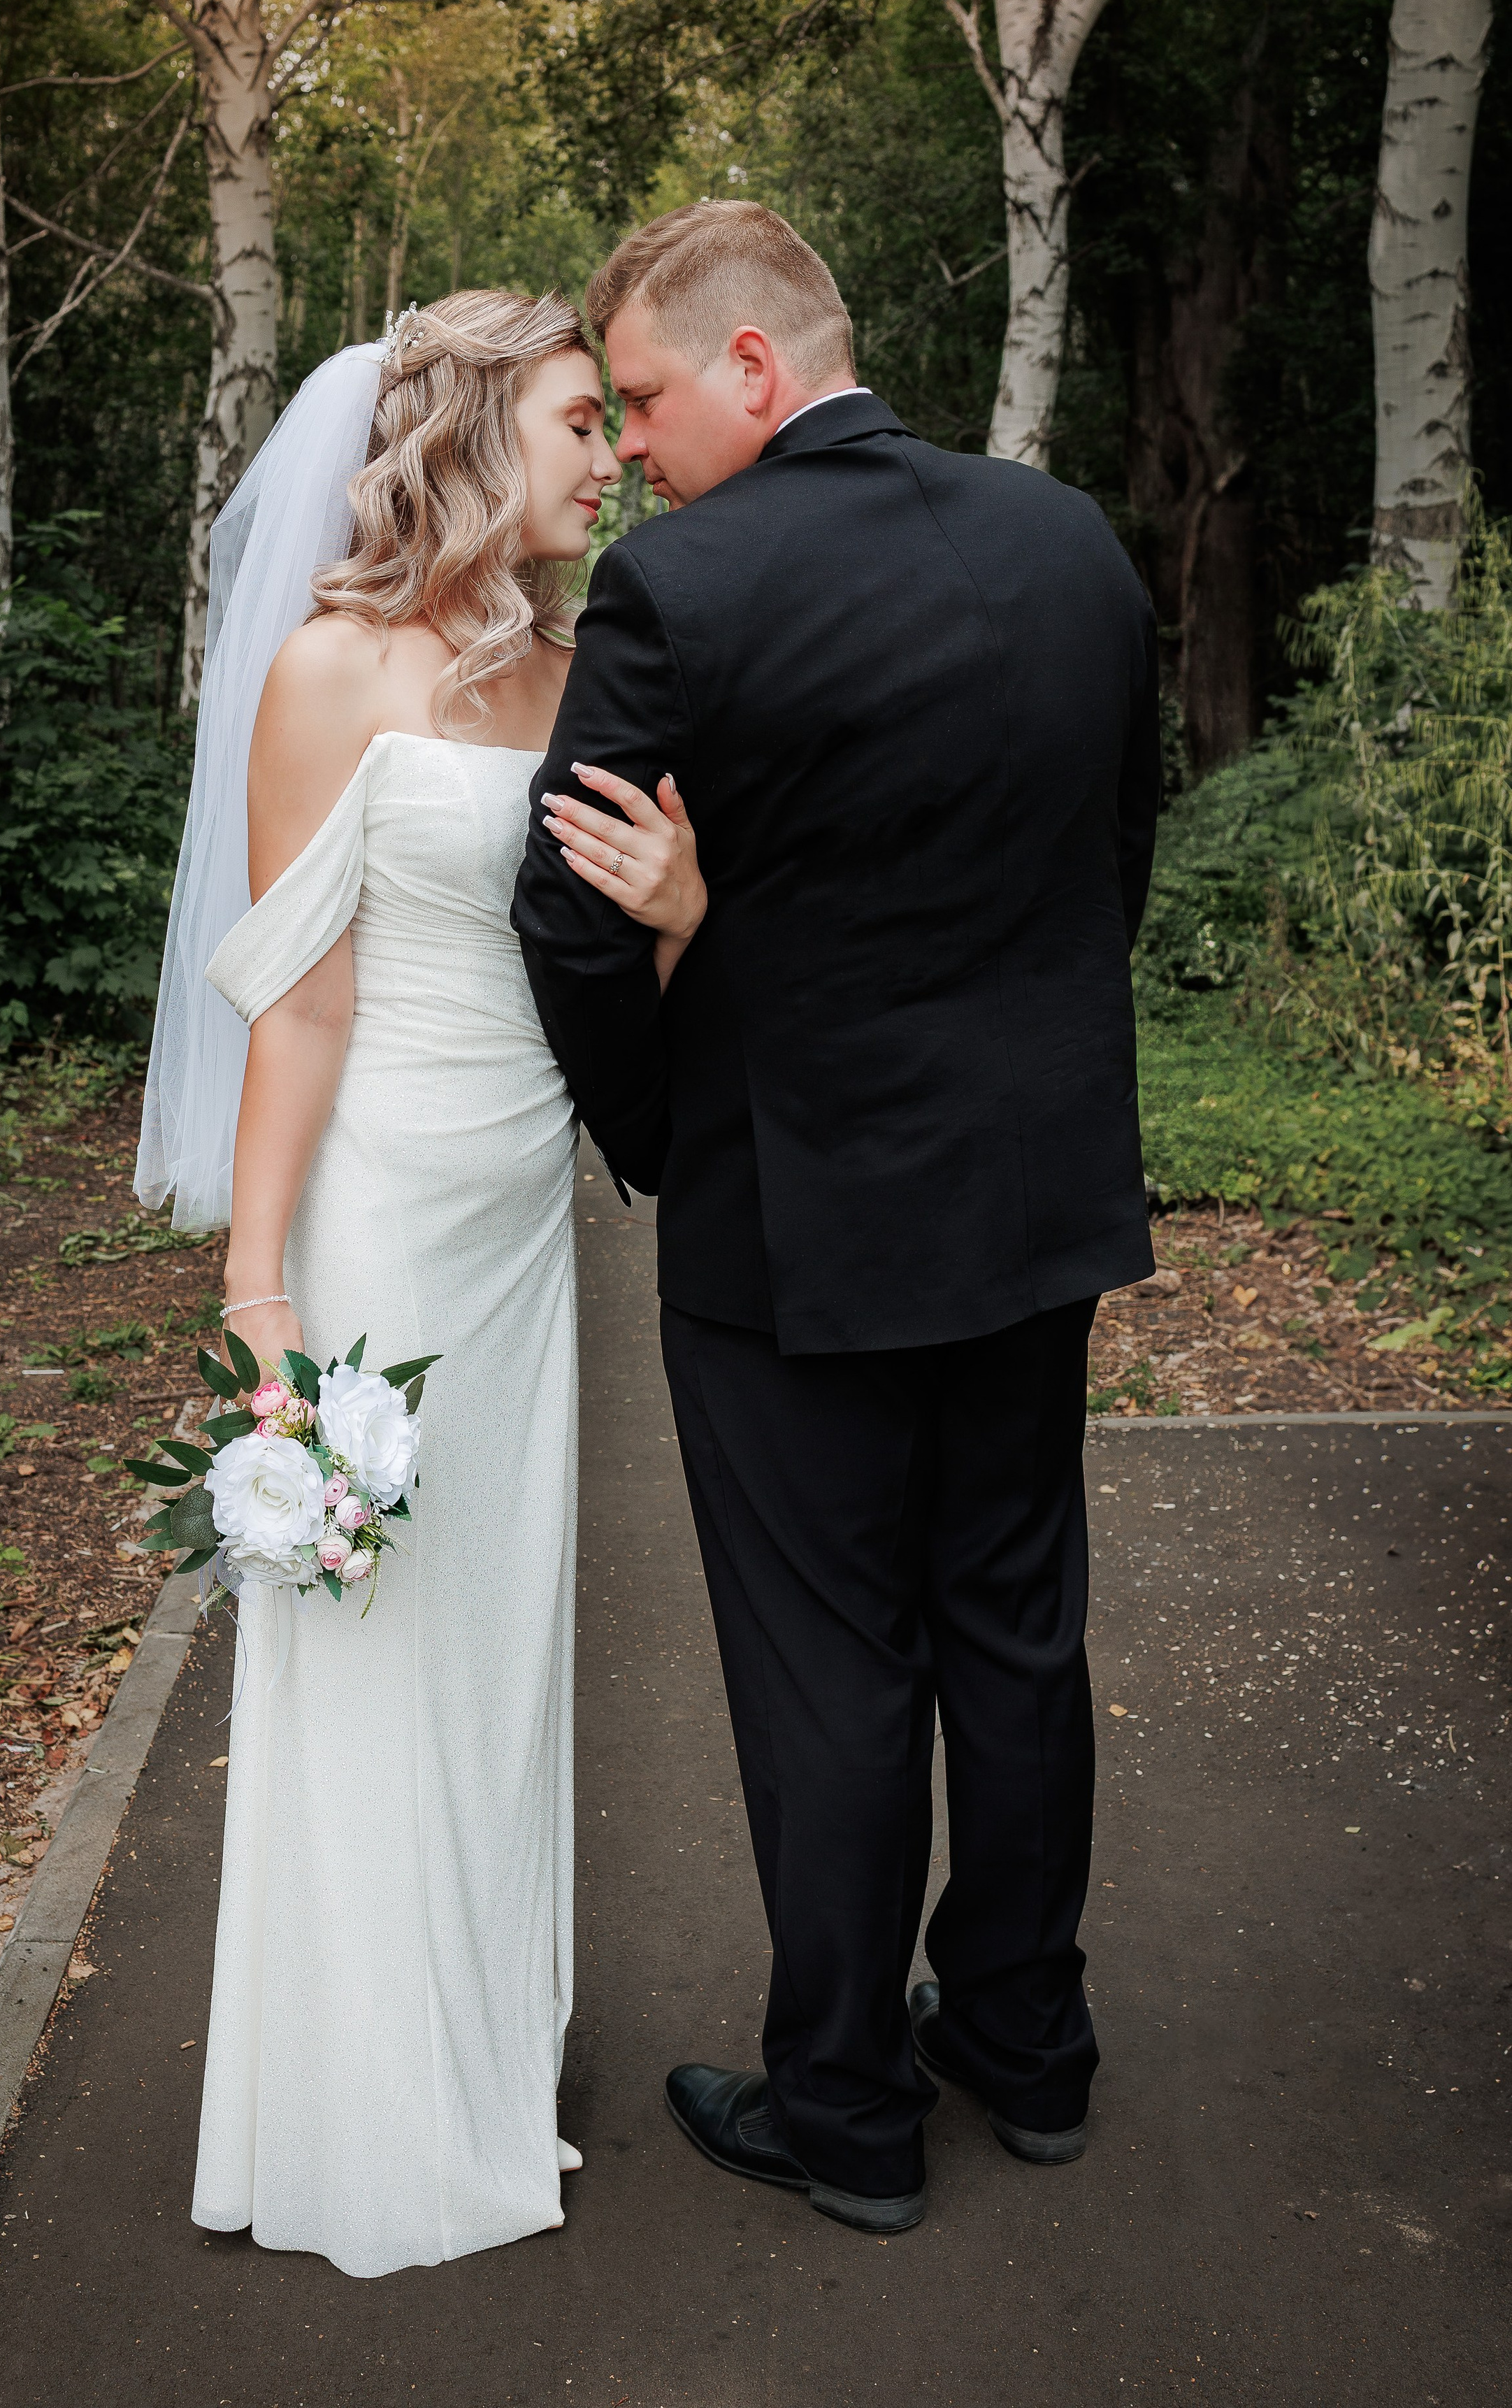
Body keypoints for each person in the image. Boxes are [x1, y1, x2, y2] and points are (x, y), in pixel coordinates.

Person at [513, 201, 1160, 2237]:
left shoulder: (680, 588)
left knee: (835, 1672)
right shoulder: (1072, 543)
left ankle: (851, 2112)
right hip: (1035, 1197)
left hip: (794, 1229)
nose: (625, 448)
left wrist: (667, 1135)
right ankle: (1031, 2049)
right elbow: (1110, 857)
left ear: (755, 370)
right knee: (1016, 1634)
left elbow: (570, 910)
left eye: (640, 400)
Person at [134, 291, 706, 2278]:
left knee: (501, 1641)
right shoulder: (330, 670)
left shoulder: (574, 670)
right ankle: (368, 2109)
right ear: (472, 434)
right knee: (374, 1649)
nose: (609, 451)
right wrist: (265, 1301)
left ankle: (484, 2048)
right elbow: (299, 1009)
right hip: (379, 1216)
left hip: (527, 1223)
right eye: (577, 418)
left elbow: (601, 964)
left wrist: (684, 916)